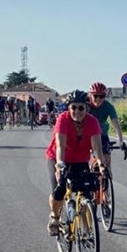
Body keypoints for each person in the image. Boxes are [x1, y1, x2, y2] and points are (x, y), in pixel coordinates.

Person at [45, 90, 107, 236]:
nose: (77, 111)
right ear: (69, 108)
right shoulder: (63, 120)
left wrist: (101, 164)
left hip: (80, 160)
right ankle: (55, 217)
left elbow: (97, 148)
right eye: (73, 107)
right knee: (59, 190)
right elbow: (60, 146)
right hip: (59, 158)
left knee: (85, 193)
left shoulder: (92, 122)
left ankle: (87, 231)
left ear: (86, 108)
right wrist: (60, 164)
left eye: (81, 108)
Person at [87, 81, 127, 170]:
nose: (98, 99)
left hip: (102, 135)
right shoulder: (86, 106)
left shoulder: (108, 106)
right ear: (91, 95)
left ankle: (107, 178)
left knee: (106, 161)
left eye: (101, 96)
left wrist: (121, 142)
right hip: (87, 135)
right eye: (95, 96)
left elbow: (116, 124)